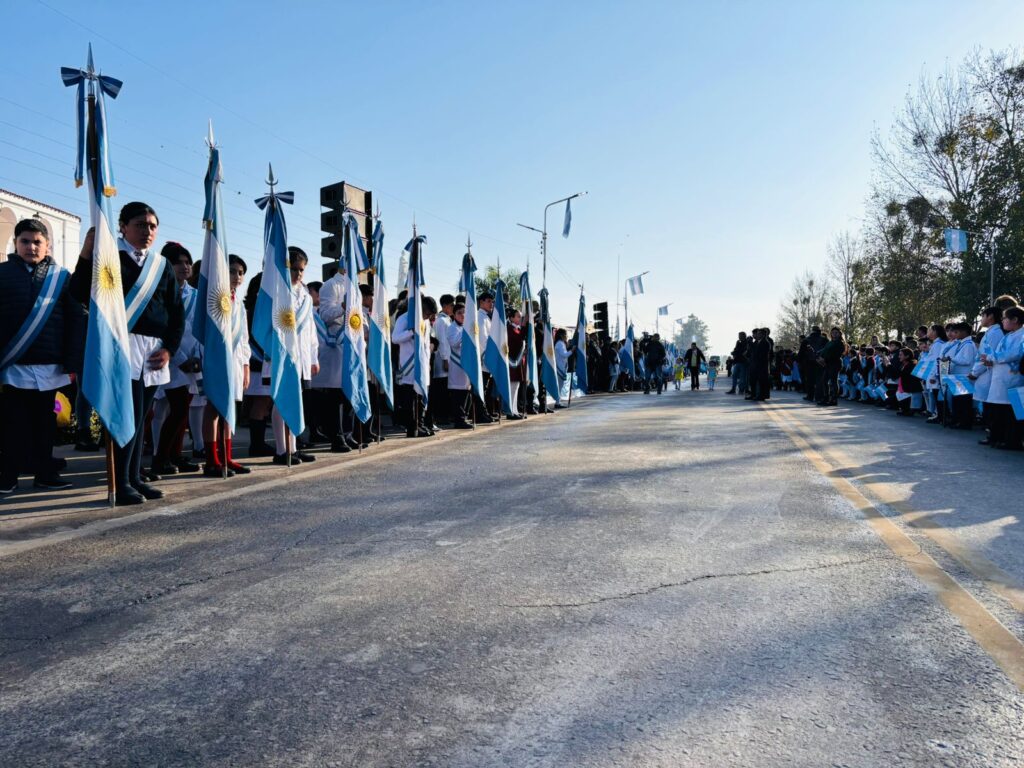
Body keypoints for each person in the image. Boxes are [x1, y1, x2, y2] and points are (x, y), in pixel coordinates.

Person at [70, 203, 185, 506]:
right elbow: (78, 293)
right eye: (139, 224)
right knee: (124, 416)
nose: (147, 231)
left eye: (152, 225)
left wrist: (169, 349)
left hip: (153, 350)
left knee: (141, 416)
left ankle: (134, 478)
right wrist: (87, 253)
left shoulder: (160, 266)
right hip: (121, 345)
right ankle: (119, 483)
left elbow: (176, 312)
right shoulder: (109, 257)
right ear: (122, 226)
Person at [0, 218, 86, 495]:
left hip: (49, 365)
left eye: (37, 242)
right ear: (15, 243)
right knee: (13, 424)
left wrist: (72, 361)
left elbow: (75, 320)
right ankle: (8, 476)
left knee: (45, 424)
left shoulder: (61, 278)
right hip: (13, 365)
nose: (31, 246)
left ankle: (45, 473)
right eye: (25, 241)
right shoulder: (2, 274)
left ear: (48, 245)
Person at [150, 242, 201, 477]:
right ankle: (160, 458)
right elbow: (164, 329)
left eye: (188, 261)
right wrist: (179, 357)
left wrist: (196, 357)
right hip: (169, 358)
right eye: (178, 262)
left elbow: (198, 329)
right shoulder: (158, 291)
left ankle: (175, 454)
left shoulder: (196, 294)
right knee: (174, 408)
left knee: (183, 408)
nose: (185, 266)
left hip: (192, 360)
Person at [270, 247, 319, 464]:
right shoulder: (277, 291)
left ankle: (294, 447)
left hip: (302, 357)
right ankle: (281, 450)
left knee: (296, 400)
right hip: (282, 354)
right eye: (294, 269)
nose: (298, 274)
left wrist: (314, 358)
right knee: (281, 400)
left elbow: (311, 330)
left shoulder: (306, 296)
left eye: (301, 270)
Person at [982, 306, 1024, 450]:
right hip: (999, 377)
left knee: (1010, 412)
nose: (1003, 321)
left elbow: (1015, 353)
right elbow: (998, 353)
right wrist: (989, 359)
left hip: (1012, 378)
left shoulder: (1022, 335)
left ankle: (1011, 441)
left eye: (1005, 318)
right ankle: (997, 437)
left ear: (1015, 320)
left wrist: (992, 358)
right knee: (997, 410)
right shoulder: (1008, 335)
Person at [445, 303, 474, 428]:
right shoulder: (452, 327)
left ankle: (464, 417)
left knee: (466, 392)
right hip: (457, 365)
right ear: (454, 314)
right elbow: (454, 343)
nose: (462, 315)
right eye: (459, 313)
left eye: (464, 312)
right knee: (458, 394)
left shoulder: (465, 327)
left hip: (466, 364)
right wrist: (466, 331)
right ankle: (459, 420)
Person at [816, 327, 846, 406]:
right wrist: (818, 354)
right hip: (828, 363)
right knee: (824, 381)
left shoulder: (840, 343)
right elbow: (824, 350)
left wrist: (824, 359)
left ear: (839, 334)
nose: (834, 334)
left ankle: (834, 399)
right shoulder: (830, 342)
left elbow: (835, 354)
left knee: (833, 382)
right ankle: (826, 398)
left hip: (835, 363)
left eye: (836, 332)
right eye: (833, 333)